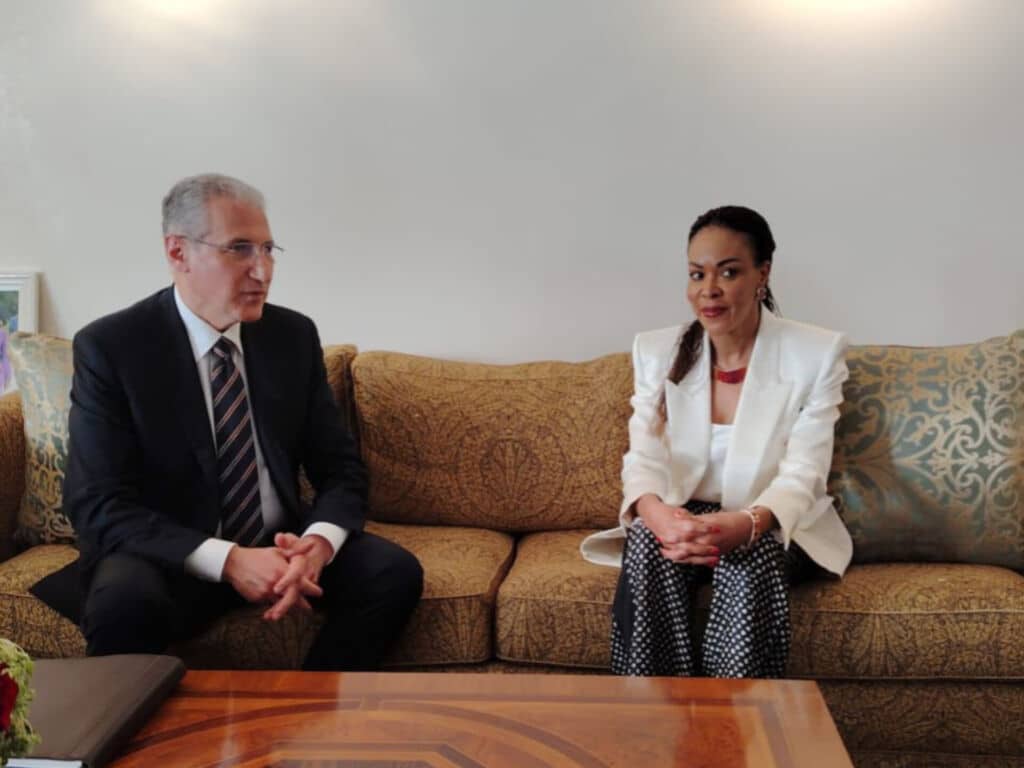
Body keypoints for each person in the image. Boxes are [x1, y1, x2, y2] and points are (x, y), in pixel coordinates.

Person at [62, 173, 423, 670]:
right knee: (123, 602)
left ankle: (306, 706)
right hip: (169, 551)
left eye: (269, 249)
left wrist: (317, 545)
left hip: (280, 542)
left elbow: (341, 469)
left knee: (393, 573)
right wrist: (228, 560)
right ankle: (135, 723)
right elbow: (97, 503)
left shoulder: (291, 336)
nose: (263, 270)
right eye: (239, 249)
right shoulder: (113, 347)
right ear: (178, 252)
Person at [581, 205, 852, 678]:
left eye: (728, 272)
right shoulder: (656, 351)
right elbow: (643, 456)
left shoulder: (816, 353)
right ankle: (653, 709)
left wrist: (747, 523)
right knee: (646, 542)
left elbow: (804, 473)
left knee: (751, 556)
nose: (709, 289)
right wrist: (656, 514)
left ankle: (735, 714)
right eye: (697, 274)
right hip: (686, 515)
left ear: (762, 274)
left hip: (769, 517)